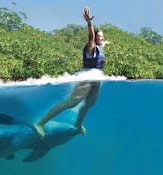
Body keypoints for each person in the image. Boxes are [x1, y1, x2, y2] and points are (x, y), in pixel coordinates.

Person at [34, 7, 110, 137]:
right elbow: (91, 37)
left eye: (103, 37)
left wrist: (106, 42)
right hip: (87, 77)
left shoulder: (100, 46)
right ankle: (40, 123)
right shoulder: (91, 47)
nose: (102, 39)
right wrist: (89, 23)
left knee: (89, 104)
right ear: (95, 39)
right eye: (100, 37)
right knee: (71, 103)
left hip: (97, 79)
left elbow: (102, 43)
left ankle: (78, 124)